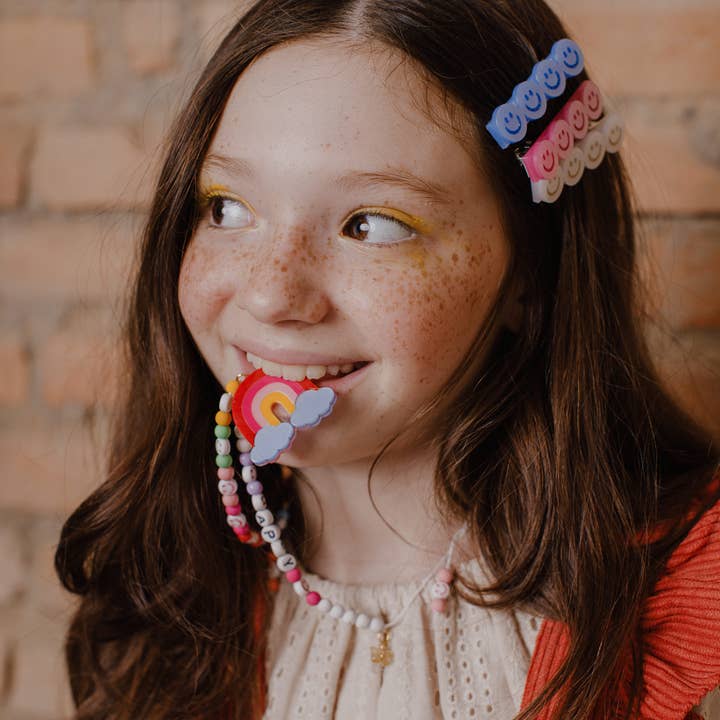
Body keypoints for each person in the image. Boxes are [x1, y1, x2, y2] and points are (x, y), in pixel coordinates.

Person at [54, 1, 720, 718]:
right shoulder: (164, 590)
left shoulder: (692, 604)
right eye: (227, 208)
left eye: (371, 224)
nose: (272, 293)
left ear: (531, 275)